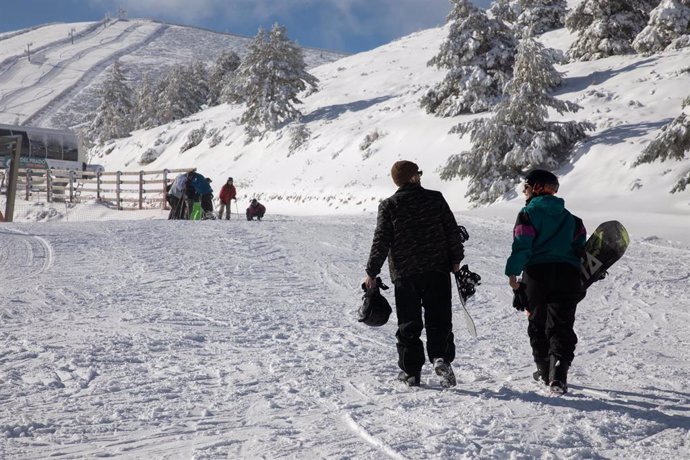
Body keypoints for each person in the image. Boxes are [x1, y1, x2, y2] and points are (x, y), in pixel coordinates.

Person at [364, 160, 465, 388]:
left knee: (408, 323)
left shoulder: (389, 205)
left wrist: (371, 271)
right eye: (417, 173)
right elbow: (452, 231)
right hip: (437, 269)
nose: (419, 176)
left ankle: (411, 372)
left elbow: (381, 241)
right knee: (439, 318)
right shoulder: (435, 198)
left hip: (404, 273)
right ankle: (440, 358)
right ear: (412, 177)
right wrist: (456, 260)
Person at [505, 169, 587, 394]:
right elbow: (582, 250)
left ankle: (543, 370)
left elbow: (523, 244)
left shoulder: (528, 214)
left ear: (538, 188)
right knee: (561, 325)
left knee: (538, 324)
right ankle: (558, 373)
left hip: (537, 275)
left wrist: (513, 274)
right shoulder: (574, 220)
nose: (524, 190)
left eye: (527, 186)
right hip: (568, 275)